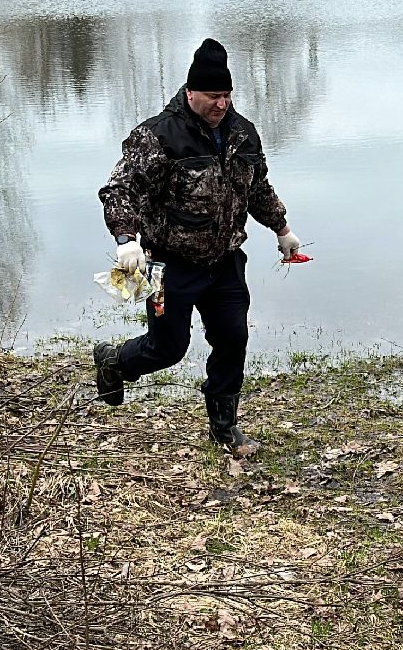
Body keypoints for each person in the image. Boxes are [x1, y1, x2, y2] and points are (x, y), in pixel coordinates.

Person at [94, 38, 302, 457]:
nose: (220, 105)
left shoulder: (243, 133)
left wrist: (282, 229)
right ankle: (115, 360)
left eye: (226, 96)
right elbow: (120, 190)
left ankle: (225, 429)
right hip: (168, 265)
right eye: (212, 96)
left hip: (225, 261)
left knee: (232, 339)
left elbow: (257, 187)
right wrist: (126, 240)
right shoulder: (157, 136)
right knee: (167, 349)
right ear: (190, 92)